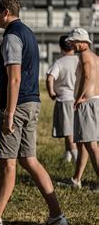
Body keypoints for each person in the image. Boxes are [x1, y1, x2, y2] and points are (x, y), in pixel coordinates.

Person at [0, 0, 68, 225]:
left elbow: (15, 77)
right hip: (31, 102)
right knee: (28, 159)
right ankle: (57, 216)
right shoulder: (28, 34)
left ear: (5, 12)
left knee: (7, 163)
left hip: (17, 106)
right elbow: (19, 75)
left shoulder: (11, 36)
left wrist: (9, 113)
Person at [64, 28, 99, 191]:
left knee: (91, 145)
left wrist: (78, 98)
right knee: (85, 143)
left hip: (87, 102)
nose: (72, 45)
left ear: (83, 42)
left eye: (74, 42)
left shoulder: (84, 56)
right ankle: (76, 179)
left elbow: (86, 77)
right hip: (95, 100)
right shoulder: (95, 57)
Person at [45, 35, 79, 163]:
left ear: (61, 47)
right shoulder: (79, 60)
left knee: (68, 131)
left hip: (64, 99)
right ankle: (68, 156)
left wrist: (51, 93)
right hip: (78, 99)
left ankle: (76, 160)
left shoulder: (59, 62)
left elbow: (49, 78)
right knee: (71, 129)